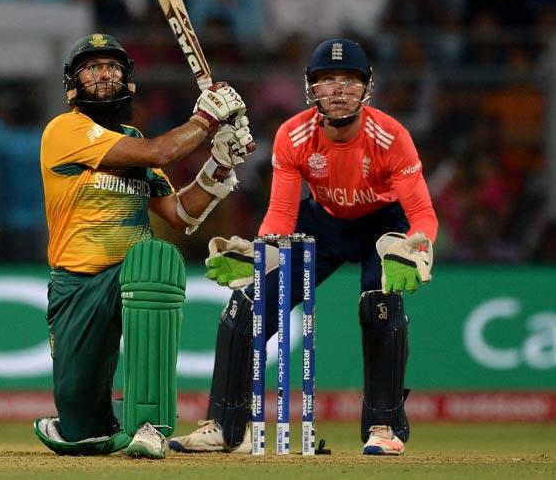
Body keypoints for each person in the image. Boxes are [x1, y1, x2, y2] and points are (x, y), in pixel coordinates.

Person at [169, 38, 437, 456]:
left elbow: (422, 211)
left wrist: (419, 247)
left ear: (366, 86)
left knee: (379, 303)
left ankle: (384, 428)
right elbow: (280, 215)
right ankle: (226, 427)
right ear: (311, 87)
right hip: (324, 222)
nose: (338, 90)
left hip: (383, 224)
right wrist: (260, 256)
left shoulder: (391, 136)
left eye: (348, 80)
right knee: (246, 306)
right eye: (327, 80)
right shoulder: (293, 135)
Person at [33, 33, 254, 459]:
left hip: (131, 275)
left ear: (128, 81)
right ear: (72, 84)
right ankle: (109, 418)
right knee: (79, 423)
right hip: (76, 284)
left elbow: (177, 214)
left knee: (155, 261)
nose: (104, 74)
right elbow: (161, 150)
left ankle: (150, 424)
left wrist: (219, 163)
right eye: (93, 67)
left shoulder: (131, 136)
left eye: (113, 67)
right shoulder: (65, 130)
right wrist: (206, 120)